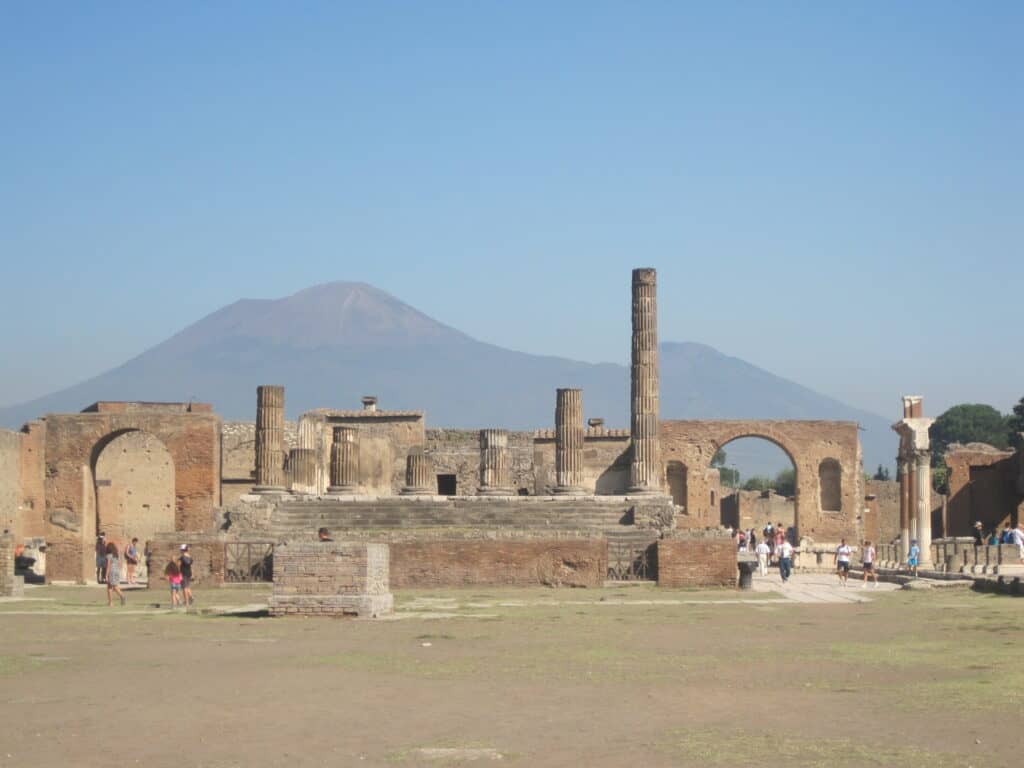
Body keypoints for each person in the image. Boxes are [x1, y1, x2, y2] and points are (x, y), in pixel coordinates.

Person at [104, 542, 126, 606]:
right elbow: (120, 564)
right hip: (117, 570)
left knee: (113, 586)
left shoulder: (109, 555)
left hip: (112, 571)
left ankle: (121, 596)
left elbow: (108, 565)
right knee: (110, 587)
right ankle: (110, 602)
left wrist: (106, 574)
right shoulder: (117, 555)